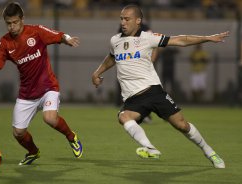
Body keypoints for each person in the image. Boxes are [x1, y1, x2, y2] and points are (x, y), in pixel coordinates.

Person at [92, 4, 228, 168]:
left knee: (182, 125)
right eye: (121, 19)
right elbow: (112, 58)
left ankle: (210, 152)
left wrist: (207, 37)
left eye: (127, 19)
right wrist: (97, 72)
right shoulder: (115, 40)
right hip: (132, 98)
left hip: (153, 92)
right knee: (123, 117)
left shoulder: (148, 37)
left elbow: (180, 40)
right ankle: (150, 148)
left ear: (138, 21)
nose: (123, 22)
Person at [0, 2, 83, 165]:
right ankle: (33, 152)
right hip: (26, 94)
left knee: (50, 118)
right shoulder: (5, 42)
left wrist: (68, 39)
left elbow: (58, 35)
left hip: (48, 88)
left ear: (22, 19)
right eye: (8, 23)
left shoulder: (36, 32)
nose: (12, 27)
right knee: (18, 133)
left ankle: (72, 137)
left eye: (15, 22)